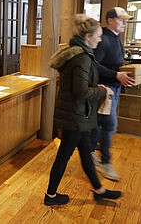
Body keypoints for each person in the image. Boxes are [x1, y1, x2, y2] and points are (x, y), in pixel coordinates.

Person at [44, 14, 122, 206]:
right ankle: (51, 196)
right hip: (76, 115)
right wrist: (102, 91)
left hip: (77, 114)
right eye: (99, 35)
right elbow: (81, 91)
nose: (101, 39)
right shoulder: (82, 58)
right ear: (88, 36)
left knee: (86, 152)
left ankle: (98, 189)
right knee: (65, 156)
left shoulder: (78, 53)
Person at [92, 7, 135, 181]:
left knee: (101, 123)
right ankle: (105, 162)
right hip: (105, 88)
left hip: (114, 87)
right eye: (121, 20)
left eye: (125, 20)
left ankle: (90, 152)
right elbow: (93, 64)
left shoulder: (116, 38)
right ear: (110, 20)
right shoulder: (103, 39)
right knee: (109, 124)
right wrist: (116, 74)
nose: (124, 23)